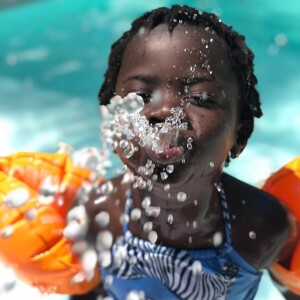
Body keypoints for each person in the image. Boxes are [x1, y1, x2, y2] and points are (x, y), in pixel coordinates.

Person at [0, 4, 299, 300]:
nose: (165, 111)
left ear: (239, 133)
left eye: (200, 98)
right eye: (140, 97)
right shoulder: (100, 218)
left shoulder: (261, 226)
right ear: (111, 118)